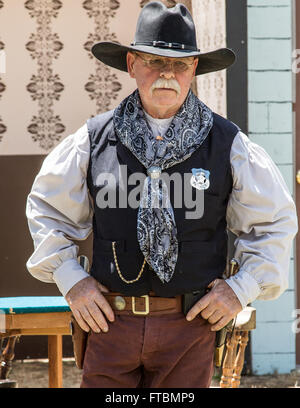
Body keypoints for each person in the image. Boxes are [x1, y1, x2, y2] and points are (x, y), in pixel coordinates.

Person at [26, 1, 298, 388]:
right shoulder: (92, 140)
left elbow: (275, 224)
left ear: (195, 70)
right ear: (133, 63)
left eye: (181, 64)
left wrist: (241, 289)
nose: (167, 73)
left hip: (190, 329)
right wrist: (73, 280)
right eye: (155, 61)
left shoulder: (230, 144)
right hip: (109, 324)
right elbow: (46, 210)